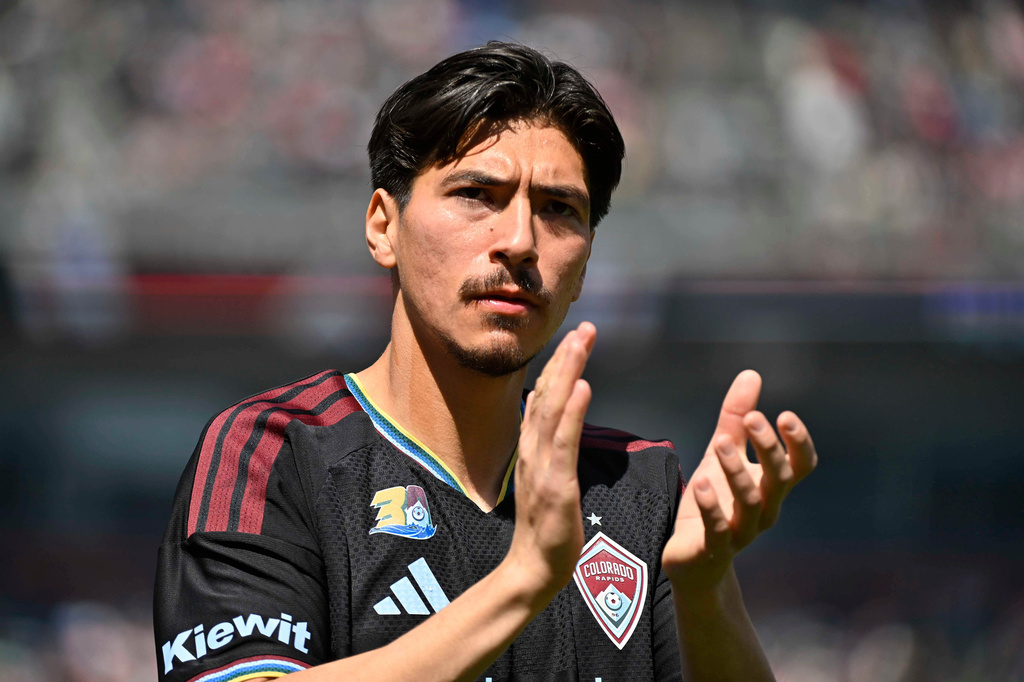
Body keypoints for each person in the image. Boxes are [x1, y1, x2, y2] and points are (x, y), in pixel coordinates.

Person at [154, 42, 817, 681]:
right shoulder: (271, 456)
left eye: (559, 211)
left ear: (584, 263)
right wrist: (524, 578)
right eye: (477, 194)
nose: (520, 241)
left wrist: (704, 590)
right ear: (384, 226)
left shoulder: (640, 489)